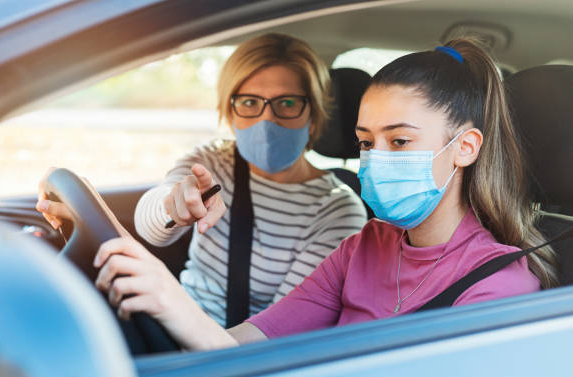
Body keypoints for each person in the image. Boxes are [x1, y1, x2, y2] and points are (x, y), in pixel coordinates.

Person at [87, 37, 559, 350]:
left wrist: (172, 304)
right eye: (366, 142)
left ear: (465, 148)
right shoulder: (364, 247)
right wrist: (168, 302)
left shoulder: (500, 286)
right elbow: (251, 344)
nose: (376, 158)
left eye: (399, 141)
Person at [36, 33, 368, 328]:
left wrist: (173, 308)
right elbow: (150, 221)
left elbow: (276, 330)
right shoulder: (212, 161)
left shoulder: (339, 212)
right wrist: (174, 207)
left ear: (313, 118)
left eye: (288, 103)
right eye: (250, 102)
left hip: (222, 360)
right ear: (230, 112)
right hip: (163, 322)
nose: (267, 119)